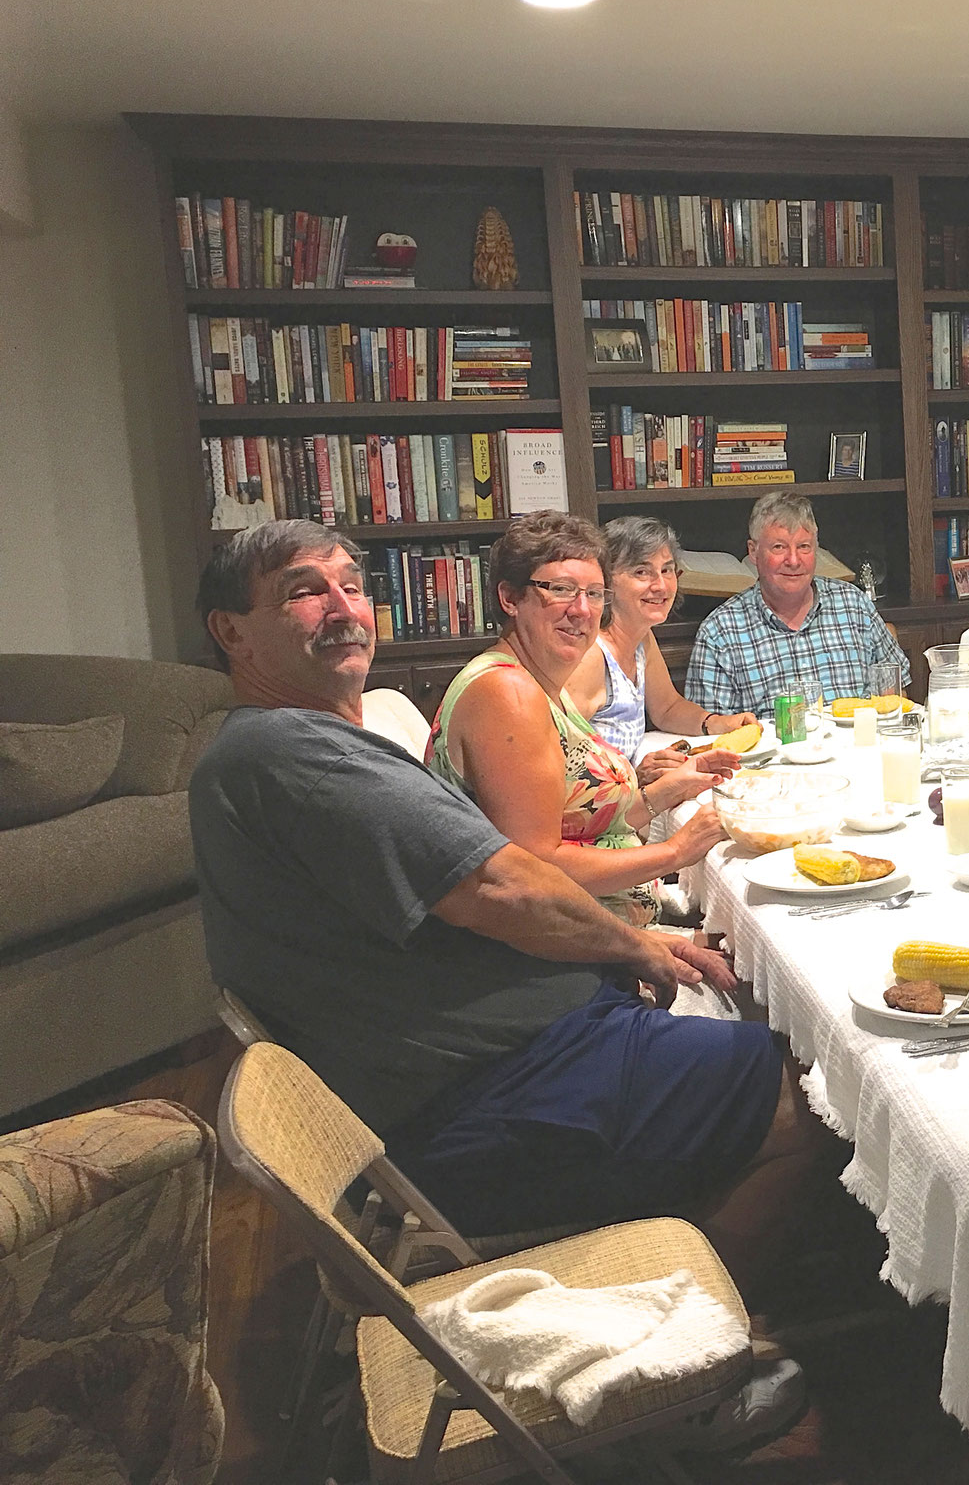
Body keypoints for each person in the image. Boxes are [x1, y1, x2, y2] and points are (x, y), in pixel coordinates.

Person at [187, 521, 834, 1339]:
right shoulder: (290, 754)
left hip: (509, 1054)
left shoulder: (295, 745)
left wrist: (625, 946)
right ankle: (688, 1346)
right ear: (231, 631)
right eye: (305, 591)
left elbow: (485, 886)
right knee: (814, 1100)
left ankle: (684, 1229)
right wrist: (633, 944)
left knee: (769, 1023)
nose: (344, 608)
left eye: (352, 585)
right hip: (480, 1106)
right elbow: (504, 882)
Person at [428, 512, 731, 927]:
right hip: (564, 953)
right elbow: (536, 869)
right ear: (510, 598)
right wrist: (676, 852)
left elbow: (584, 821)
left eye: (593, 593)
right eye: (561, 590)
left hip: (603, 928)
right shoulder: (506, 694)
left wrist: (667, 791)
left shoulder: (542, 683)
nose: (582, 610)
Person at [565, 515, 759, 788]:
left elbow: (667, 708)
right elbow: (559, 763)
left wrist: (717, 723)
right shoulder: (592, 657)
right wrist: (635, 778)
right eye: (641, 572)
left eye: (666, 570)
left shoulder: (642, 637)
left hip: (621, 798)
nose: (660, 585)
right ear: (605, 581)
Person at [685, 491, 909, 718]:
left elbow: (896, 697)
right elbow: (712, 733)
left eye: (804, 547)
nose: (793, 561)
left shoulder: (854, 605)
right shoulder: (719, 632)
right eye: (779, 547)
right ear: (753, 552)